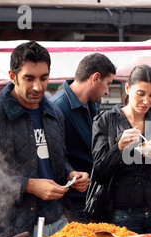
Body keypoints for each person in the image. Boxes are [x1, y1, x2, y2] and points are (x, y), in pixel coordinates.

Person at [0, 41, 89, 237]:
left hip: (57, 223)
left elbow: (57, 159)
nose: (38, 86)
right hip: (11, 231)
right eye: (29, 78)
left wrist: (70, 174)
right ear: (13, 76)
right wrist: (28, 185)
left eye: (43, 78)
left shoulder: (54, 113)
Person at [91, 64, 151, 233]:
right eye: (141, 94)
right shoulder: (106, 121)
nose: (146, 101)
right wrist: (119, 148)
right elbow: (99, 174)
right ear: (128, 88)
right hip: (123, 214)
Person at [50, 53, 116, 222]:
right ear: (95, 78)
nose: (108, 91)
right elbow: (54, 156)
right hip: (74, 203)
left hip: (95, 197)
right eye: (107, 84)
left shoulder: (93, 103)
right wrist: (70, 173)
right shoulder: (57, 107)